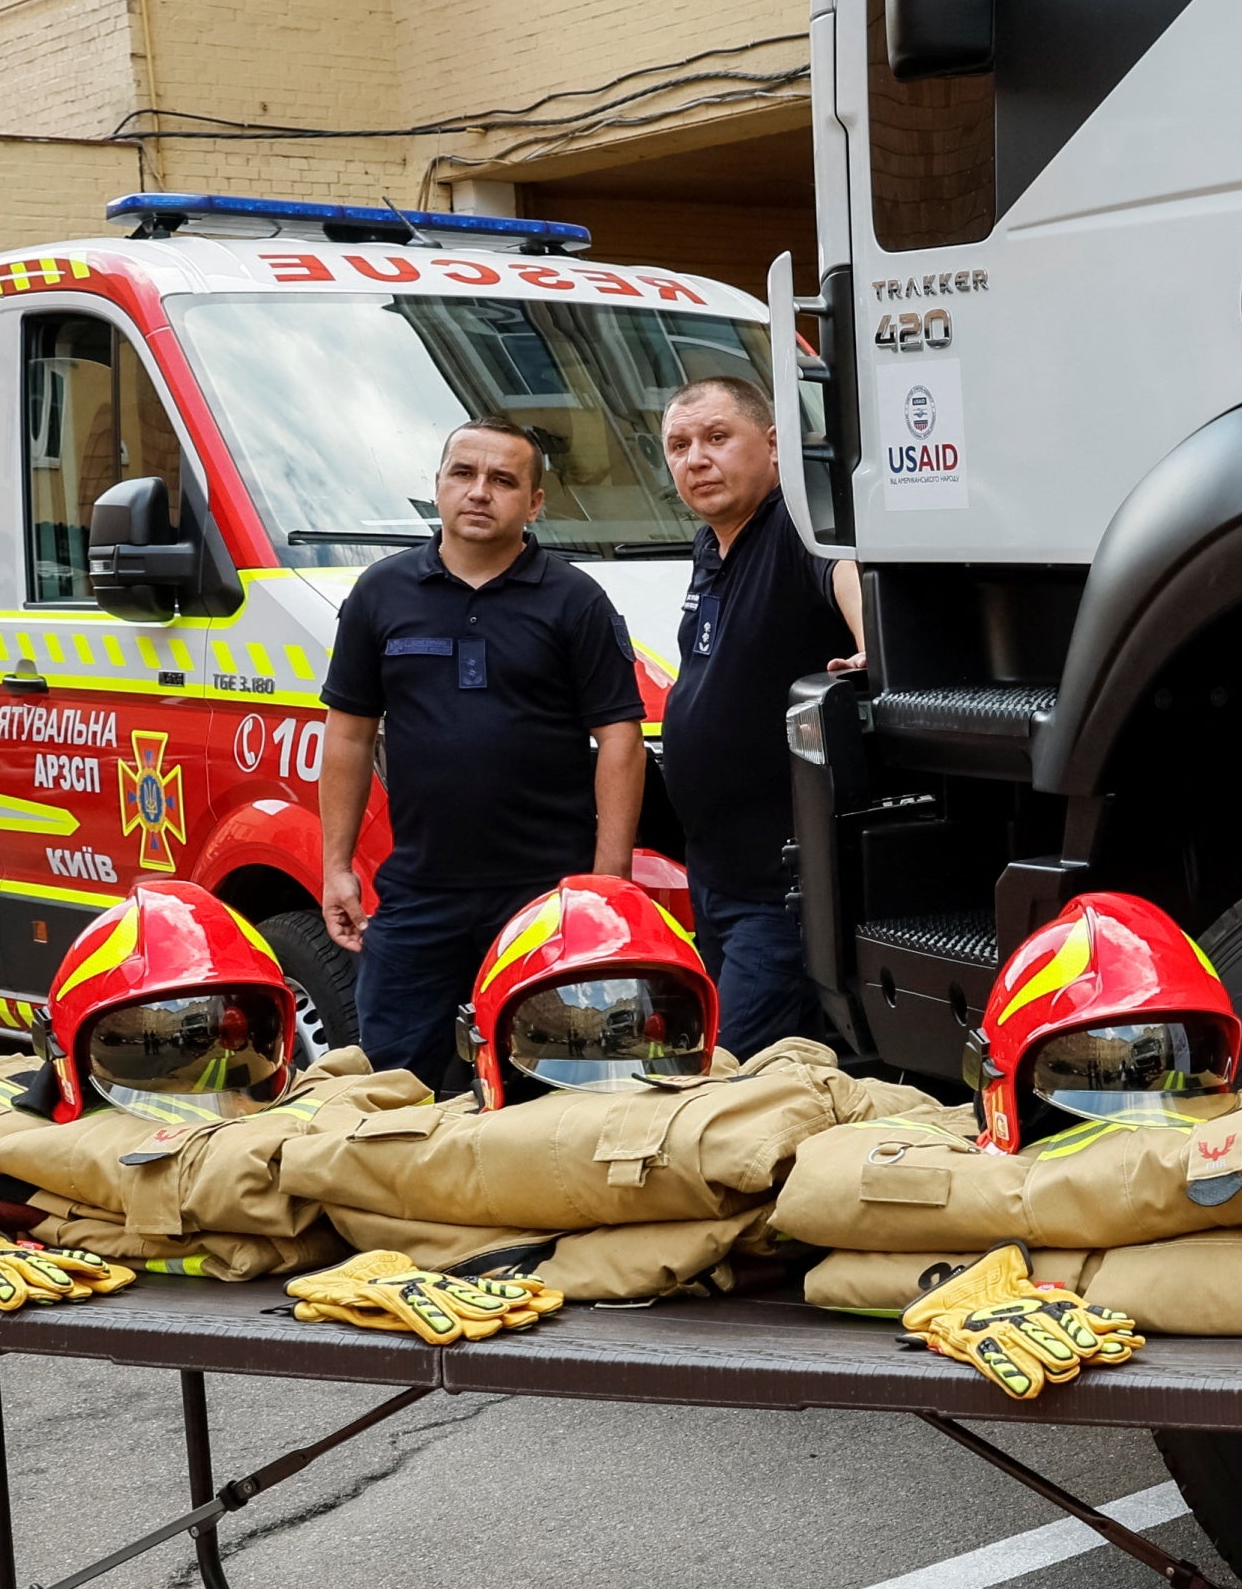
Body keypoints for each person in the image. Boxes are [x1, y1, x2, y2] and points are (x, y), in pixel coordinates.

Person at [318, 422, 645, 1084]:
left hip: (545, 896)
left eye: (502, 480)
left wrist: (606, 883)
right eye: (463, 474)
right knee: (393, 1084)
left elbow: (621, 739)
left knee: (553, 1085)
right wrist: (336, 866)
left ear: (535, 503)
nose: (478, 491)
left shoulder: (574, 600)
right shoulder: (380, 593)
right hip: (418, 895)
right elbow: (348, 734)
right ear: (437, 485)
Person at [656, 374, 863, 1056]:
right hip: (715, 879)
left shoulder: (797, 526)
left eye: (717, 437)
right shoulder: (710, 545)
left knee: (734, 1073)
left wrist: (871, 646)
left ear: (773, 446)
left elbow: (842, 572)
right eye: (679, 445)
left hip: (779, 893)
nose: (696, 459)